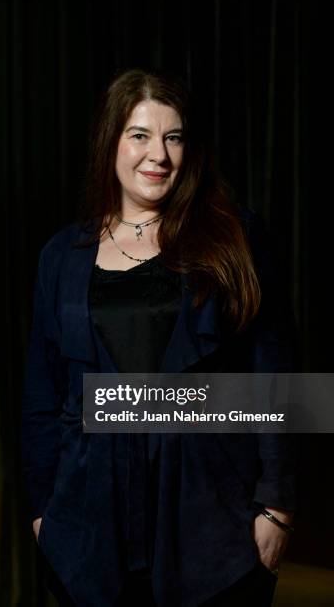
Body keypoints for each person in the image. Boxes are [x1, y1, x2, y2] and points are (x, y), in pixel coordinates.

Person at [20, 67, 299, 606]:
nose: (159, 155)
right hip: (90, 526)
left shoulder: (235, 235)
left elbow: (280, 377)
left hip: (212, 525)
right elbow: (41, 395)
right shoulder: (60, 255)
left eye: (173, 137)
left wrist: (278, 506)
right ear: (111, 141)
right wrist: (41, 512)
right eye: (140, 135)